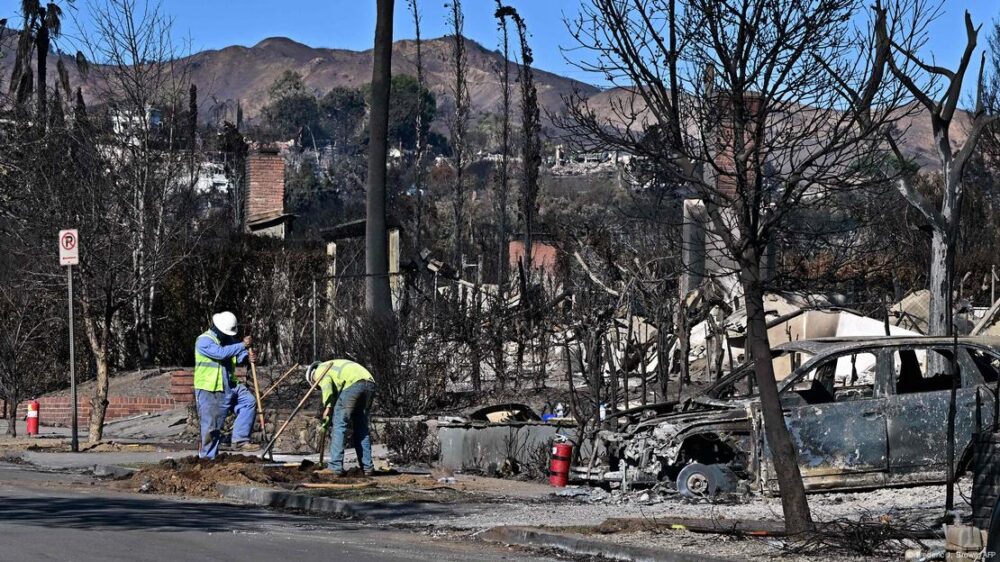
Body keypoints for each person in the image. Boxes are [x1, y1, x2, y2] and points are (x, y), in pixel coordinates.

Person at [194, 311, 258, 459]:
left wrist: (248, 357)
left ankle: (240, 439)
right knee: (212, 427)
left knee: (248, 402)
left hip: (230, 385)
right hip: (210, 389)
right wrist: (242, 345)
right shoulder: (204, 341)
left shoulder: (229, 339)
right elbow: (221, 354)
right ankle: (207, 459)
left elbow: (238, 355)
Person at [307, 359, 377, 475]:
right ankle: (367, 467)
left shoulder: (320, 370)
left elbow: (327, 385)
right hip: (369, 384)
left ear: (311, 377)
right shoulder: (335, 365)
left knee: (339, 424)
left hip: (353, 384)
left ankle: (335, 466)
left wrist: (328, 407)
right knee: (361, 427)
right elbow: (337, 393)